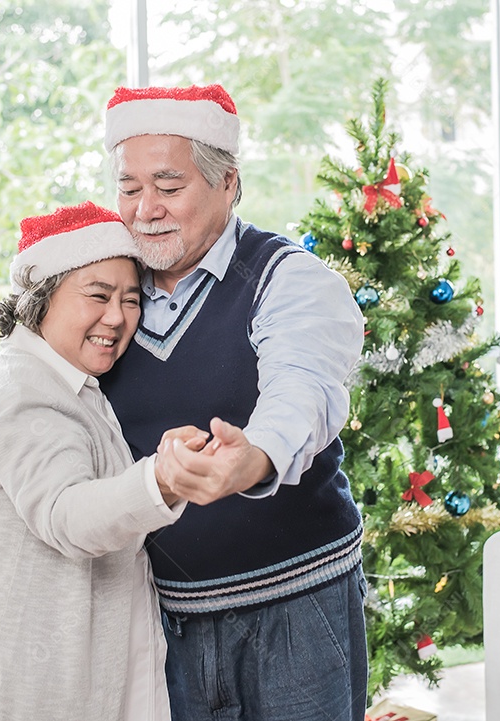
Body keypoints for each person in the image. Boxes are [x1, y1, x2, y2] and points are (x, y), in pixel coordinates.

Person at [98, 84, 368, 721]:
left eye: (169, 185)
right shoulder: (104, 291)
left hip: (297, 608)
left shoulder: (289, 279)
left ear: (229, 185)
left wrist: (254, 457)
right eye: (130, 187)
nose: (145, 210)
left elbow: (302, 387)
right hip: (164, 616)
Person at [0, 202, 189, 721]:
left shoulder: (77, 386)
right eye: (97, 295)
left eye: (131, 300)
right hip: (32, 684)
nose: (116, 316)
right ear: (40, 299)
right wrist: (162, 479)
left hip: (90, 668)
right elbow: (67, 515)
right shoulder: (16, 388)